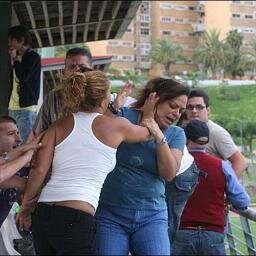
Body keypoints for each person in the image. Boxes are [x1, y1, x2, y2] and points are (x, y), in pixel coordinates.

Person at [16, 71, 160, 255]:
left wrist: (27, 206)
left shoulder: (59, 125)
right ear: (103, 100)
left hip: (44, 213)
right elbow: (147, 133)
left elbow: (39, 170)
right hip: (76, 216)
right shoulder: (117, 126)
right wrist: (148, 113)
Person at [96, 77, 190, 255]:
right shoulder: (123, 116)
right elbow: (98, 136)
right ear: (154, 98)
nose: (177, 113)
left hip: (152, 216)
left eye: (181, 110)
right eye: (172, 105)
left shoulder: (176, 134)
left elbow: (169, 173)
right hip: (111, 213)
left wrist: (156, 132)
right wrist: (114, 108)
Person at [173, 119, 250, 255]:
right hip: (213, 234)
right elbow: (242, 202)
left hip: (182, 231)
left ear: (185, 139)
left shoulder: (176, 163)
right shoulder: (221, 166)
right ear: (207, 141)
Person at [32, 46, 135, 135]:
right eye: (72, 67)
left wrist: (115, 106)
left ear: (91, 69)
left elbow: (100, 128)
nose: (77, 71)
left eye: (82, 67)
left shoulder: (102, 94)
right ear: (64, 71)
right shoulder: (53, 96)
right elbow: (37, 133)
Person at [185, 89, 247, 177]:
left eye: (199, 107)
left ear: (208, 110)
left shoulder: (216, 132)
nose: (194, 111)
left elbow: (240, 162)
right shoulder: (183, 131)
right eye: (190, 107)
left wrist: (226, 187)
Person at [0, 116, 41, 227]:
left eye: (18, 133)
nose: (19, 139)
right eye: (11, 134)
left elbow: (19, 191)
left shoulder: (19, 167)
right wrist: (26, 157)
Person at [8, 25, 41, 142]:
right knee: (12, 143)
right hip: (12, 105)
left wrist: (15, 59)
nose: (9, 43)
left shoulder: (33, 57)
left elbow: (23, 77)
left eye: (11, 40)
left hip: (26, 107)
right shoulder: (17, 57)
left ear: (21, 40)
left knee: (25, 143)